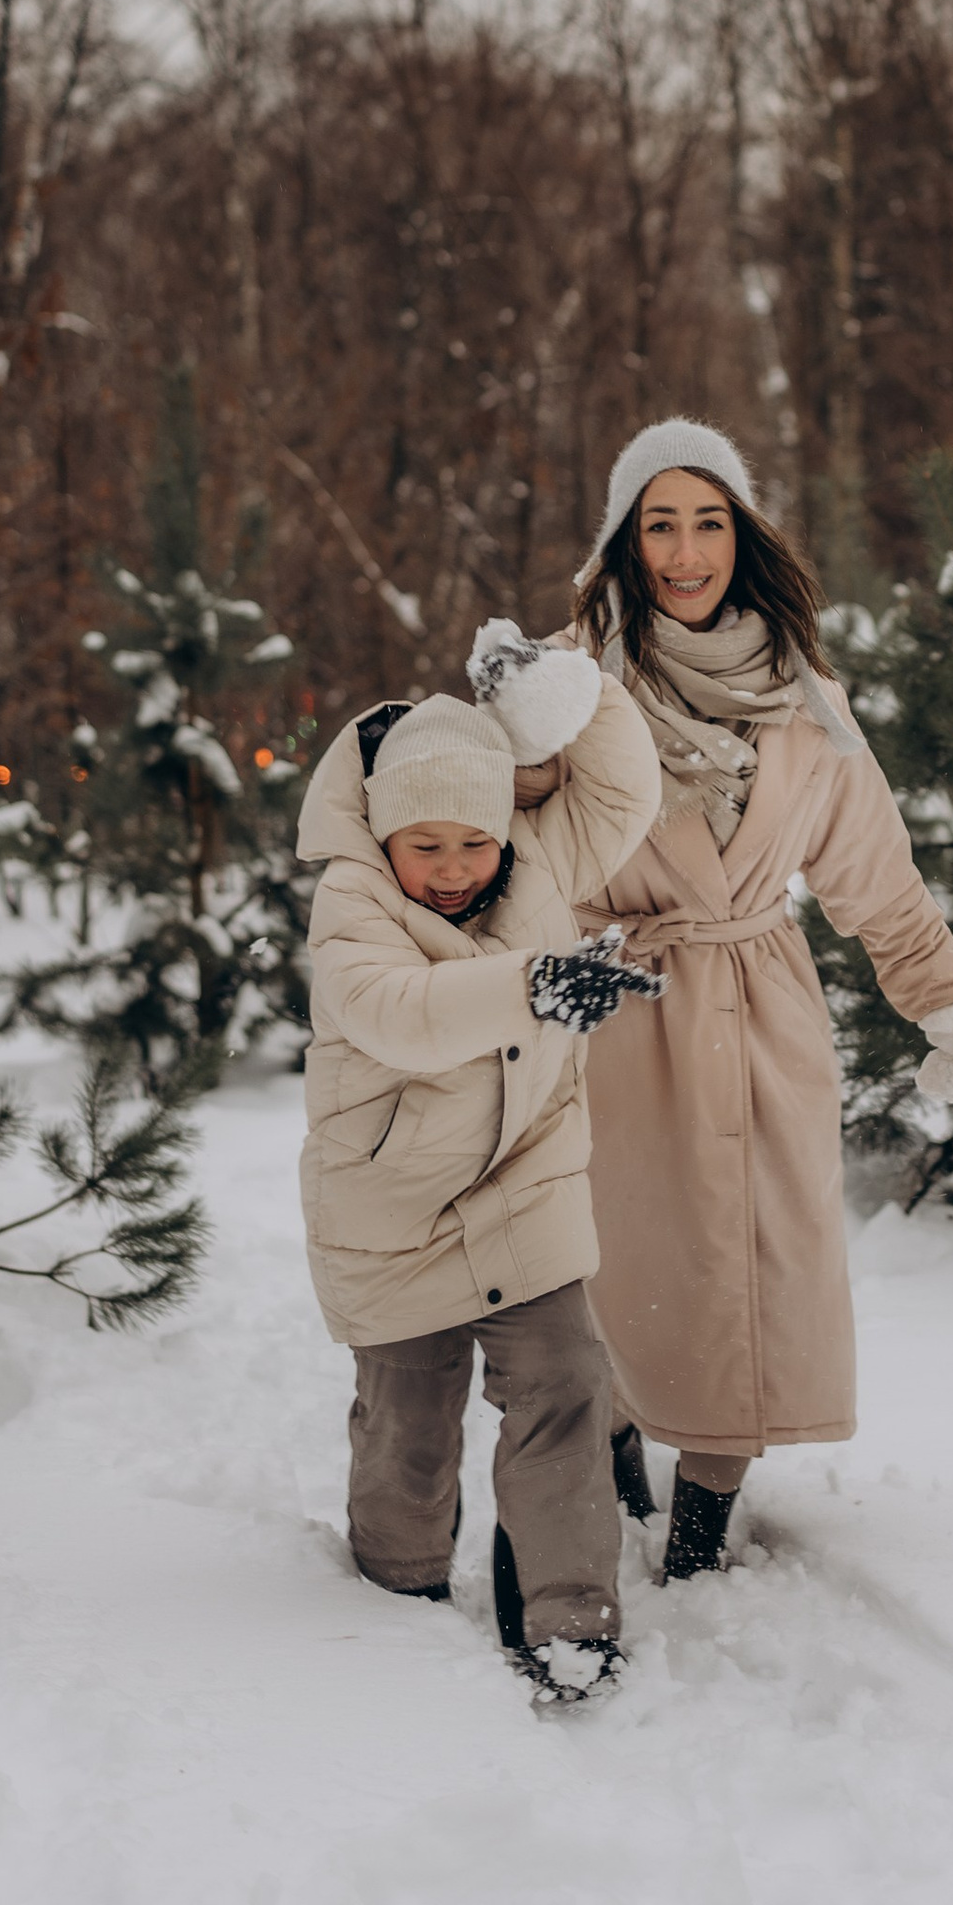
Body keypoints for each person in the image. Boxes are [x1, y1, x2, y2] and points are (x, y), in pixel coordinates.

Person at [565, 420, 953, 1582]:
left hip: (764, 1011)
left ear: (742, 535)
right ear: (626, 538)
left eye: (706, 519)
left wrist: (949, 1005)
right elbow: (513, 860)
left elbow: (875, 879)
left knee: (761, 1266)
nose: (683, 548)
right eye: (658, 522)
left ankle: (705, 1516)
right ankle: (614, 1437)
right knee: (624, 1261)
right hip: (620, 1014)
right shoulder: (572, 691)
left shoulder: (807, 703)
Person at [296, 623, 665, 1703]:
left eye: (474, 840)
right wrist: (533, 987)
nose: (453, 867)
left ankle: (566, 1613)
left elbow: (621, 790)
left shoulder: (539, 859)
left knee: (565, 1386)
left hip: (523, 1185)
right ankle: (395, 1580)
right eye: (427, 845)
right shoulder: (352, 903)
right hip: (393, 1206)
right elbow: (399, 1016)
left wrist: (565, 692)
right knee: (409, 1428)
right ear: (382, 836)